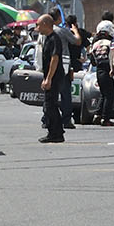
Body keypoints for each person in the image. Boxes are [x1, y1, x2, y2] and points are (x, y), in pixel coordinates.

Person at [37, 12, 66, 143]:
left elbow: (55, 59)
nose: (36, 28)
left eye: (38, 25)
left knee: (50, 105)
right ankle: (56, 131)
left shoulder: (54, 39)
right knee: (49, 105)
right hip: (50, 75)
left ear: (45, 24)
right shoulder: (47, 38)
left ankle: (55, 133)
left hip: (55, 76)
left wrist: (48, 78)